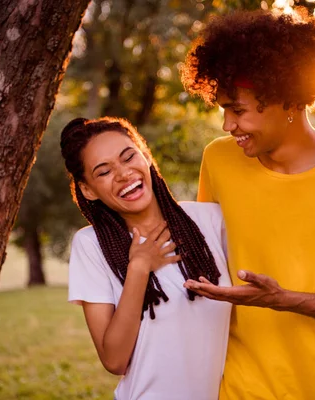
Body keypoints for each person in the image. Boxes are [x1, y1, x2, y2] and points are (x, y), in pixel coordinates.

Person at [180, 9, 315, 400]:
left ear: (287, 100)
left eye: (239, 110)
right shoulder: (218, 160)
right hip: (234, 389)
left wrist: (282, 301)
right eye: (223, 110)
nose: (227, 126)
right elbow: (208, 267)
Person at [61, 116, 232, 400]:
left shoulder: (210, 220)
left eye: (128, 157)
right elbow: (114, 361)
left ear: (145, 155)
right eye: (103, 172)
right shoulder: (91, 246)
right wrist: (138, 267)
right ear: (88, 190)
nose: (124, 174)